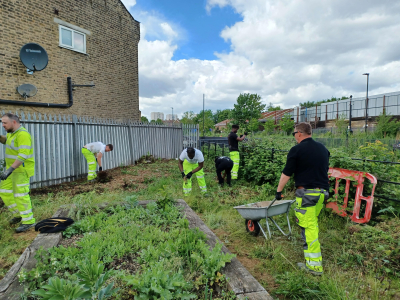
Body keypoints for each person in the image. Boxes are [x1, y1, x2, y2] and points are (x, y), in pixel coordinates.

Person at [275, 122, 329, 276]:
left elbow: (286, 174)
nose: (294, 136)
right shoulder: (323, 149)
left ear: (299, 133)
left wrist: (279, 192)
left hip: (306, 195)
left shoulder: (296, 150)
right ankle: (312, 261)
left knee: (308, 228)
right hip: (322, 194)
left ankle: (314, 267)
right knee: (312, 224)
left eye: (294, 134)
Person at [0, 113, 36, 233]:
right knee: (4, 192)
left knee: (21, 195)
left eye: (5, 123)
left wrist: (9, 170)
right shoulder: (11, 133)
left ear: (13, 122)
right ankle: (19, 214)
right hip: (13, 170)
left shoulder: (23, 135)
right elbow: (7, 142)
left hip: (21, 170)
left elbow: (23, 155)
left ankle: (28, 221)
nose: (3, 125)